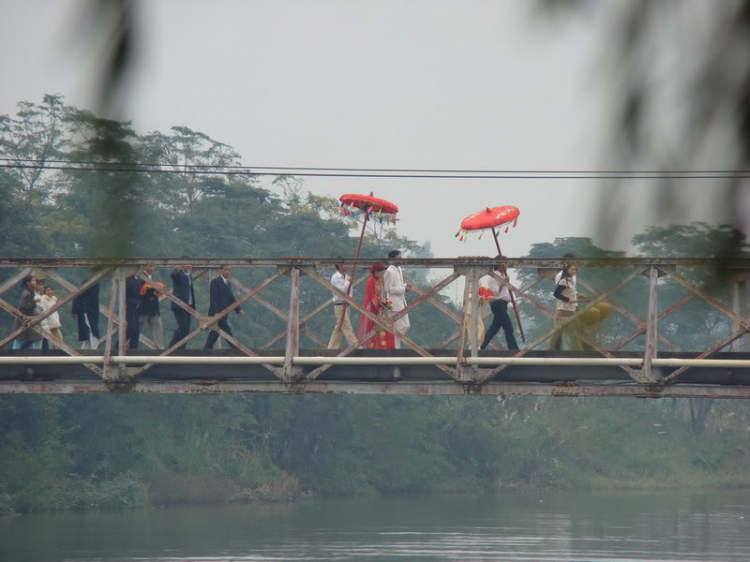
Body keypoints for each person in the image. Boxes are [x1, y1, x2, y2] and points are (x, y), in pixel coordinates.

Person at [480, 257, 519, 350]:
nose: (507, 266)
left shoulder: (504, 276)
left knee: (494, 328)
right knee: (508, 326)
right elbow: (495, 293)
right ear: (499, 265)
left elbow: (509, 290)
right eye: (505, 264)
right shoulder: (492, 276)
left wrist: (515, 303)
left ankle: (481, 347)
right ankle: (513, 349)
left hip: (504, 304)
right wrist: (504, 282)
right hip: (497, 303)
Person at [204, 265, 245, 349]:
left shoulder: (228, 283)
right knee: (227, 333)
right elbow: (213, 299)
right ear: (220, 270)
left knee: (214, 335)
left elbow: (231, 298)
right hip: (217, 314)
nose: (227, 272)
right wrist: (216, 314)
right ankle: (236, 350)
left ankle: (206, 351)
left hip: (224, 314)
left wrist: (239, 310)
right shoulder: (215, 282)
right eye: (225, 270)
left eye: (229, 270)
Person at [549, 263, 589, 351]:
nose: (574, 271)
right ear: (567, 270)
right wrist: (567, 299)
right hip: (563, 310)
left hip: (571, 309)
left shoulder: (570, 281)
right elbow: (556, 294)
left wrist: (579, 295)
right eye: (572, 269)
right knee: (558, 331)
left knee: (576, 330)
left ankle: (578, 350)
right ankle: (550, 349)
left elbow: (570, 292)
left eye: (575, 270)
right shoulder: (564, 281)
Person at [357, 264, 395, 349]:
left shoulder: (377, 281)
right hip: (372, 308)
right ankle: (372, 347)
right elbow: (371, 296)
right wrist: (382, 302)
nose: (382, 275)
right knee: (373, 328)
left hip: (378, 306)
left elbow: (379, 295)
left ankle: (381, 346)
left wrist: (385, 302)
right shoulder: (371, 281)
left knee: (381, 327)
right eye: (381, 273)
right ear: (376, 272)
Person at [384, 249, 412, 348]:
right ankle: (394, 347)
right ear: (392, 259)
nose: (400, 260)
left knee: (405, 325)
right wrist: (403, 289)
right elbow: (388, 289)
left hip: (401, 302)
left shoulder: (399, 269)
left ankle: (394, 344)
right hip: (392, 303)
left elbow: (398, 285)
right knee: (397, 326)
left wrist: (405, 286)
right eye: (399, 258)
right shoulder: (389, 271)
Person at [327, 262, 357, 349]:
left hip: (347, 305)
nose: (347, 266)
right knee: (347, 327)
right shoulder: (335, 278)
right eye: (345, 264)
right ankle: (356, 346)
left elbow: (350, 291)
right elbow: (340, 292)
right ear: (339, 266)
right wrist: (348, 282)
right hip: (339, 305)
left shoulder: (347, 277)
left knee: (339, 328)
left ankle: (331, 348)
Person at [169, 259, 196, 349]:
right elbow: (174, 277)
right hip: (180, 305)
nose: (188, 265)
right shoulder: (179, 274)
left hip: (189, 305)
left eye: (189, 263)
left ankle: (181, 348)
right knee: (183, 327)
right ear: (181, 264)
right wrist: (176, 271)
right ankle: (172, 347)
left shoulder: (189, 275)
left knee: (186, 329)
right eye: (185, 263)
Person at [71, 272, 101, 349]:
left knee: (89, 332)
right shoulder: (88, 283)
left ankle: (85, 350)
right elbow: (77, 296)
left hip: (92, 311)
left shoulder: (96, 284)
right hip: (87, 311)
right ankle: (94, 350)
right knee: (93, 331)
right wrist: (75, 311)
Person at [139, 263, 164, 348]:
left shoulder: (150, 278)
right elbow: (142, 291)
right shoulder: (140, 277)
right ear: (143, 267)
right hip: (143, 308)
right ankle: (126, 347)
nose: (152, 268)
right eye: (150, 266)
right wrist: (154, 291)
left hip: (153, 308)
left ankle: (160, 349)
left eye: (153, 266)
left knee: (158, 328)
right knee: (136, 329)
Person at [14, 275, 42, 350]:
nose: (35, 282)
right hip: (24, 319)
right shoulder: (27, 293)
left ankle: (14, 354)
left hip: (28, 319)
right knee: (22, 338)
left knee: (25, 338)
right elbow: (25, 306)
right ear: (28, 283)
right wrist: (35, 301)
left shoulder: (30, 291)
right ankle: (13, 355)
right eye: (33, 280)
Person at [39, 284, 64, 349]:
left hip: (54, 321)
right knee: (58, 338)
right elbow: (43, 311)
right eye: (48, 290)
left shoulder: (53, 299)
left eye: (51, 290)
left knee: (56, 339)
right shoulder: (43, 299)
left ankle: (57, 351)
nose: (50, 292)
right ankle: (59, 352)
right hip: (49, 322)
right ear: (45, 291)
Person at [125, 269, 144, 349]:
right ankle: (119, 344)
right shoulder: (128, 280)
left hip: (137, 307)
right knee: (131, 327)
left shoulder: (140, 280)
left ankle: (133, 349)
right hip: (130, 306)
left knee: (136, 330)